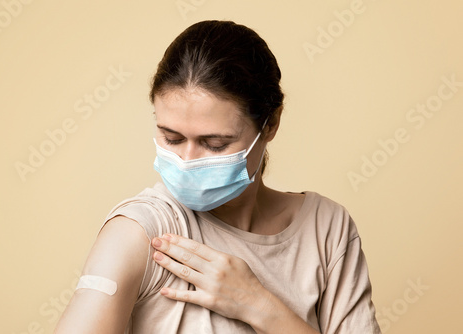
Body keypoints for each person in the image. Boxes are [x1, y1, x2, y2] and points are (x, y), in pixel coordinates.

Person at [55, 20, 381, 333]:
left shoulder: (326, 228)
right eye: (172, 138)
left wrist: (260, 306)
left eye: (214, 144)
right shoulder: (142, 232)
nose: (186, 161)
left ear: (270, 125)